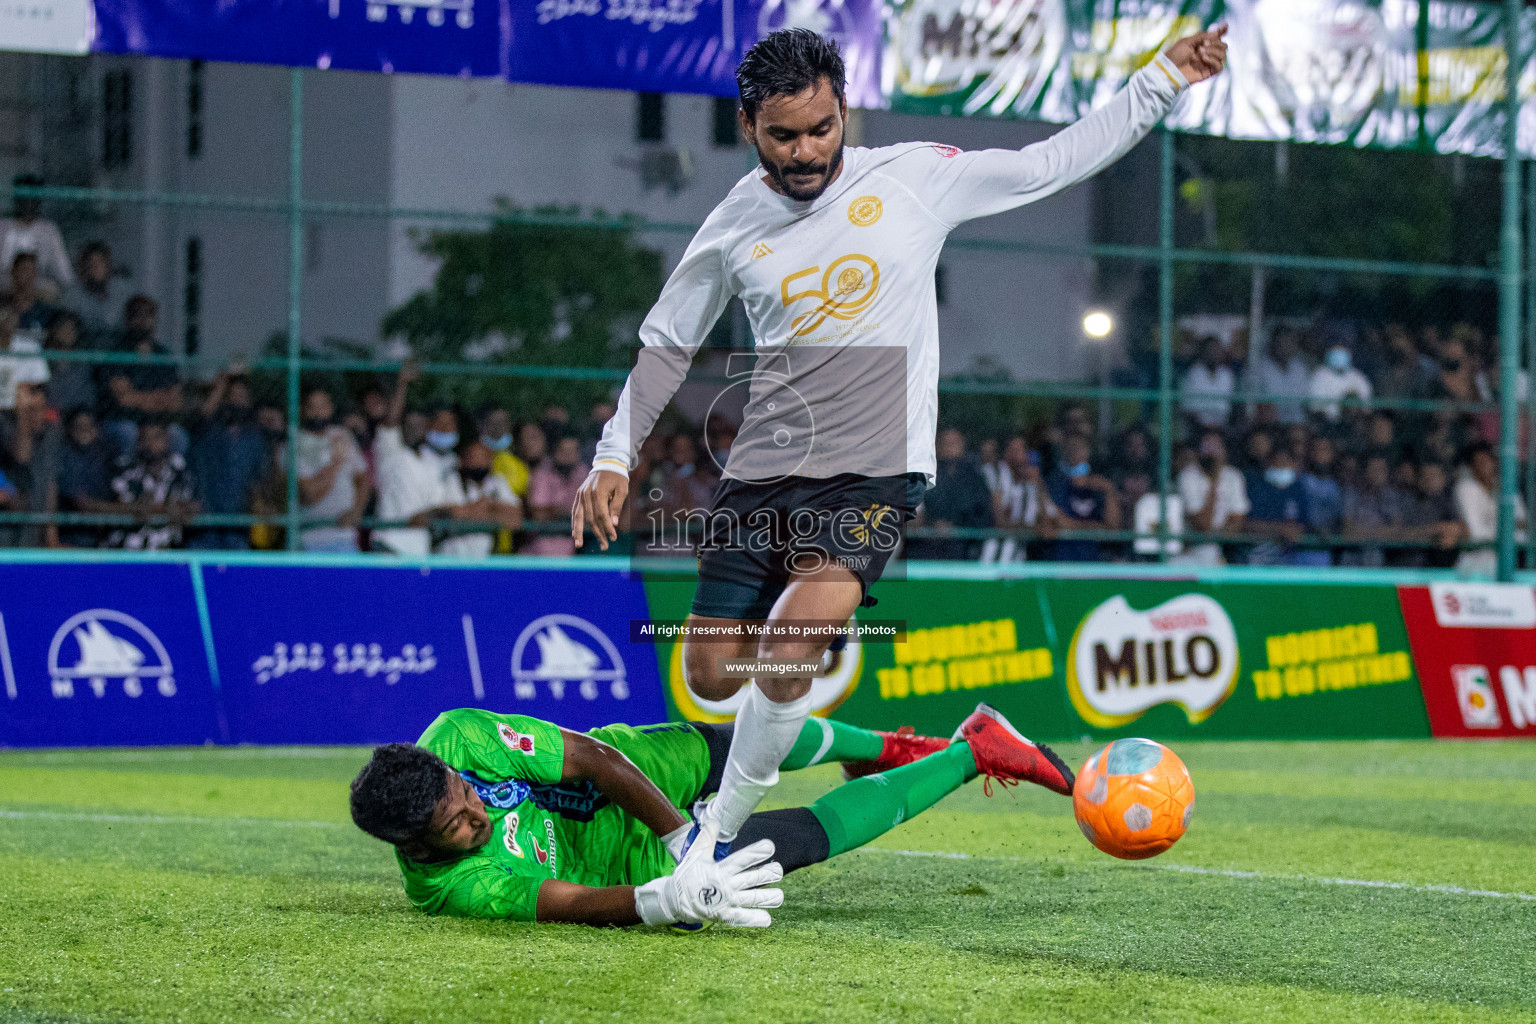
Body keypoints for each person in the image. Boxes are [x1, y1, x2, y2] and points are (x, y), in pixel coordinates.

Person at [571, 25, 1225, 859]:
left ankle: (711, 845)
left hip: (874, 473)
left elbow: (1053, 161)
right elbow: (669, 341)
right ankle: (902, 746)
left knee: (791, 646)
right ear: (747, 127)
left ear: (843, 108)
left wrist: (1163, 78)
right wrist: (614, 455)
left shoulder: (916, 178)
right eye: (783, 136)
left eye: (821, 128)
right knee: (709, 676)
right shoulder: (734, 220)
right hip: (763, 475)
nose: (806, 151)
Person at [348, 702, 1073, 927]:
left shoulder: (456, 739)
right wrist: (663, 895)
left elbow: (595, 760)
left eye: (467, 795)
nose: (475, 812)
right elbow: (566, 901)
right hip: (632, 866)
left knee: (758, 739)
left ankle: (888, 746)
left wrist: (680, 829)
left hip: (638, 777)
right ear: (416, 845)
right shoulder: (447, 890)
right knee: (807, 840)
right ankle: (976, 752)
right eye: (460, 827)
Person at [372, 361, 459, 557]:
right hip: (388, 545)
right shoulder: (391, 452)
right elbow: (391, 421)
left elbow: (439, 506)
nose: (415, 429)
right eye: (409, 425)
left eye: (419, 425)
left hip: (420, 551)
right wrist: (402, 384)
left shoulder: (433, 463)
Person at [187, 370, 270, 550]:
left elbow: (258, 480)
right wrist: (224, 378)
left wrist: (259, 505)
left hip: (237, 526)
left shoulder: (253, 438)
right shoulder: (206, 431)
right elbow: (203, 414)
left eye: (242, 396)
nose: (237, 400)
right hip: (204, 524)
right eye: (232, 395)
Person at [99, 295, 182, 457]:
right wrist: (158, 398)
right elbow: (124, 399)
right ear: (128, 319)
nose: (143, 321)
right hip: (124, 421)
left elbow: (175, 402)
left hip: (157, 423)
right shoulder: (117, 353)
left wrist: (140, 398)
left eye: (148, 316)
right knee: (127, 434)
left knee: (178, 438)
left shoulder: (163, 355)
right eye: (137, 315)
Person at [409, 441, 522, 558]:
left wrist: (467, 512)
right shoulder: (449, 480)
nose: (479, 463)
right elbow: (427, 516)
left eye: (483, 457)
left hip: (482, 562)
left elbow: (515, 517)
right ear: (462, 461)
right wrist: (485, 510)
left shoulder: (497, 483)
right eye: (473, 457)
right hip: (448, 560)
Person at [294, 387, 372, 552]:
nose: (317, 413)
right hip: (310, 542)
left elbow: (363, 479)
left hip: (346, 539)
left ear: (330, 408)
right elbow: (308, 496)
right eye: (312, 407)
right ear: (303, 409)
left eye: (322, 407)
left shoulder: (342, 434)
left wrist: (356, 511)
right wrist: (335, 462)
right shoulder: (294, 443)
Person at [106, 420, 198, 550]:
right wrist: (165, 509)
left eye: (156, 437)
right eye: (145, 438)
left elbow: (190, 507)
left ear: (167, 441)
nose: (150, 444)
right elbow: (130, 507)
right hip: (127, 548)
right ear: (138, 442)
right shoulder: (124, 468)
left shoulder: (179, 469)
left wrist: (171, 509)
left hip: (167, 549)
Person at [910, 427, 993, 560]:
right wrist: (931, 524)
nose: (949, 448)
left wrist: (956, 526)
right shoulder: (925, 475)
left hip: (963, 545)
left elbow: (983, 514)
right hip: (927, 544)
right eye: (945, 444)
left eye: (954, 443)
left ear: (962, 446)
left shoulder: (975, 478)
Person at [1175, 430, 1248, 566]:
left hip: (1227, 547)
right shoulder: (1188, 476)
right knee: (1207, 553)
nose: (1213, 453)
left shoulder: (1234, 476)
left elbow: (1237, 520)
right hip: (1194, 546)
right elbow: (1202, 525)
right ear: (1198, 452)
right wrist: (1214, 483)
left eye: (1217, 447)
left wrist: (1217, 537)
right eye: (1208, 447)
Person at [1453, 442, 1527, 576]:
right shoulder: (1466, 488)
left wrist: (1506, 528)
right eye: (1480, 463)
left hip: (1506, 567)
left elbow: (1524, 531)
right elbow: (1476, 534)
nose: (1486, 467)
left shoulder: (1507, 489)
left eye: (1489, 461)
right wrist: (1508, 526)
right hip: (1473, 567)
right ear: (1471, 468)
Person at [1045, 433, 1122, 562]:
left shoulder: (1100, 486)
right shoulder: (1055, 483)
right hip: (1061, 561)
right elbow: (1060, 523)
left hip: (1091, 562)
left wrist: (1109, 491)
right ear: (1062, 452)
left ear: (1088, 452)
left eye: (1079, 447)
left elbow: (1113, 528)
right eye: (1070, 447)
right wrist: (1097, 528)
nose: (1074, 451)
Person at [54, 407, 117, 548]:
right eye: (79, 426)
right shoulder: (64, 456)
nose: (85, 431)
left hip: (103, 538)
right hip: (72, 538)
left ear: (97, 429)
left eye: (89, 426)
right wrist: (130, 509)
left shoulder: (104, 456)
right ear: (69, 430)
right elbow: (82, 503)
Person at [0, 175, 73, 293]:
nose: (28, 203)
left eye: (32, 198)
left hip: (38, 294)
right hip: (4, 291)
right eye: (23, 198)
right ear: (16, 198)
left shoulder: (49, 230)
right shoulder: (3, 226)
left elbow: (64, 273)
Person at [990, 437, 1057, 563]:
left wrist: (1038, 485)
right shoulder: (996, 476)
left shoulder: (1033, 485)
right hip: (994, 558)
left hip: (1021, 560)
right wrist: (1028, 528)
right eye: (1014, 450)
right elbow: (999, 521)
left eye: (1022, 451)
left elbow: (1050, 524)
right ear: (1005, 454)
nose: (1019, 457)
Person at [1245, 447, 1312, 565]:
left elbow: (1305, 523)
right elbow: (1248, 524)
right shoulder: (1258, 488)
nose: (1281, 466)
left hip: (1294, 553)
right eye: (1277, 463)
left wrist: (1295, 531)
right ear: (1268, 464)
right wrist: (1279, 529)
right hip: (1261, 549)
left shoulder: (1299, 489)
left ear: (1294, 465)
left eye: (1285, 462)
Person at [525, 435, 590, 556]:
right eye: (563, 451)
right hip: (542, 545)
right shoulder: (542, 474)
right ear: (554, 452)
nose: (567, 456)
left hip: (577, 546)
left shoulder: (583, 473)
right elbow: (538, 514)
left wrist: (561, 513)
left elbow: (591, 515)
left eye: (572, 452)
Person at [1394, 462, 1464, 569]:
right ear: (1419, 479)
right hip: (1407, 566)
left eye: (1433, 476)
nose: (1428, 480)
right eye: (1425, 476)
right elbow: (1397, 533)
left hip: (1439, 568)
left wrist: (1452, 530)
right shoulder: (1407, 500)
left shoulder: (1448, 502)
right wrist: (1432, 531)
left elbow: (1462, 531)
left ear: (1443, 479)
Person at [1341, 453, 1403, 567]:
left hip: (1382, 565)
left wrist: (1364, 532)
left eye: (1381, 470)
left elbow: (1397, 531)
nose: (1378, 474)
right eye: (1374, 470)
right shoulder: (1351, 494)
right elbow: (1348, 531)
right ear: (1365, 472)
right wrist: (1381, 532)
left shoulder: (1390, 495)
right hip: (1352, 564)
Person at [62, 241, 130, 347]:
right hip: (84, 352)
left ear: (107, 266)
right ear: (83, 267)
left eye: (99, 263)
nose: (95, 268)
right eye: (90, 263)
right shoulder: (72, 295)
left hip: (117, 351)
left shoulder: (122, 291)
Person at [1250, 326, 1311, 424]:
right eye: (1283, 341)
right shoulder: (1259, 368)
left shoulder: (1300, 368)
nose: (1287, 346)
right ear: (1274, 343)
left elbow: (1305, 402)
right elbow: (1252, 405)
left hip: (1298, 424)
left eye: (1291, 341)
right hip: (1268, 425)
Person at [42, 311, 96, 416]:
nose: (68, 333)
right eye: (64, 328)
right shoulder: (44, 358)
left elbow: (88, 395)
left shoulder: (82, 360)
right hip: (51, 414)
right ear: (55, 330)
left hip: (80, 413)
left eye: (72, 329)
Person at [0, 302, 48, 413]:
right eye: (3, 316)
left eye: (12, 316)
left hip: (21, 401)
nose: (7, 321)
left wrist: (16, 389)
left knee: (25, 399)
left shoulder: (30, 346)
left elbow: (39, 382)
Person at [1179, 336, 1235, 430]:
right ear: (1203, 352)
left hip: (1223, 427)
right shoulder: (1193, 373)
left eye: (1217, 350)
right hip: (1198, 427)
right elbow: (1188, 407)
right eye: (1210, 350)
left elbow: (1231, 405)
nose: (1214, 354)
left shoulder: (1227, 374)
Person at [1307, 342, 1372, 422]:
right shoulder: (1319, 375)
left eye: (1342, 351)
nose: (1339, 354)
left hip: (1354, 423)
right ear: (1328, 354)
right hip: (1327, 424)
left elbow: (1366, 408)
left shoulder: (1358, 377)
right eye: (1336, 351)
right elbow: (1315, 409)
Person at [4, 252, 57, 335]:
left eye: (33, 271)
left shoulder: (45, 313)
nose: (30, 276)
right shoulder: (3, 306)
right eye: (25, 270)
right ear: (14, 272)